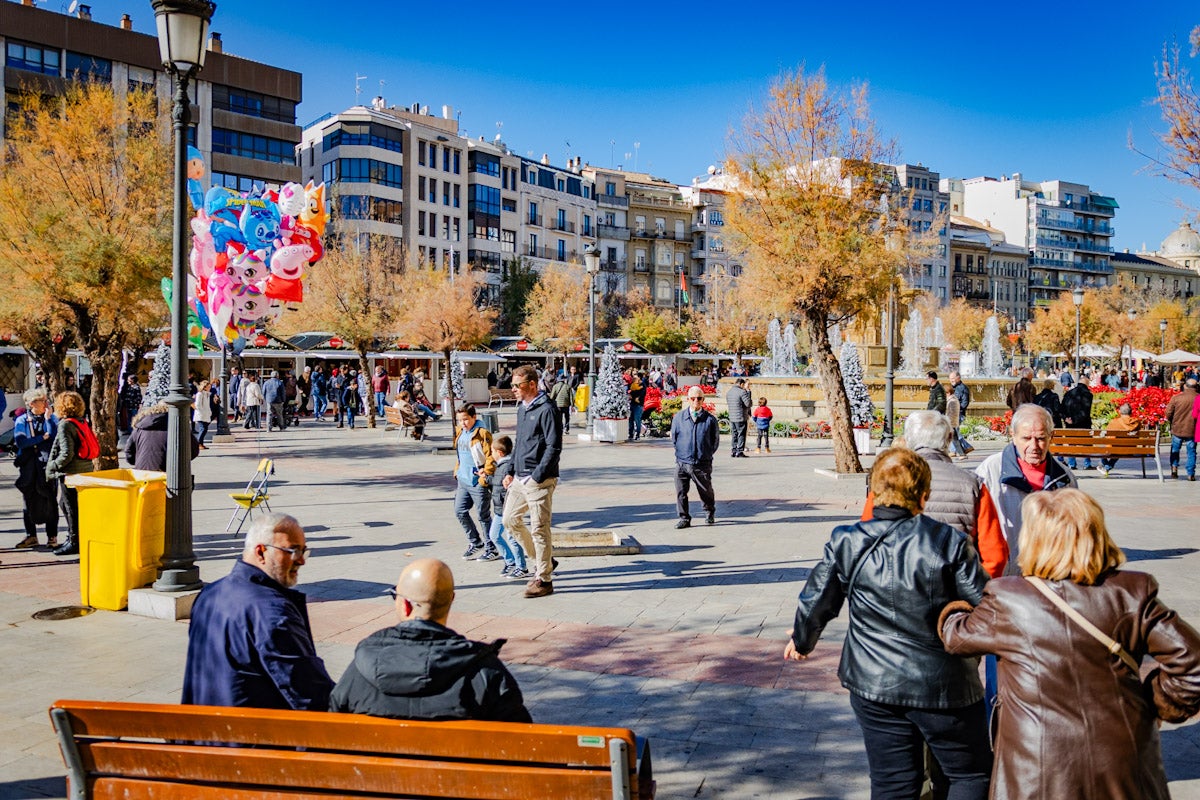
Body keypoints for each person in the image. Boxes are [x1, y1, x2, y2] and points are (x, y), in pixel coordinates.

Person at [940, 489, 1200, 800]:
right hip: (1121, 755)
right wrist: (1152, 704)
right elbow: (1193, 666)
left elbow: (957, 638)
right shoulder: (1132, 591)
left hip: (1036, 763)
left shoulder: (1009, 598)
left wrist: (953, 608)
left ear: (1035, 539)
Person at [786, 447, 992, 799]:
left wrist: (802, 641)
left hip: (874, 682)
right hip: (945, 685)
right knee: (969, 774)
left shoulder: (846, 540)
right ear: (923, 495)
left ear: (874, 492)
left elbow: (817, 600)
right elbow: (989, 606)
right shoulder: (950, 542)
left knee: (893, 782)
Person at [330, 559, 532, 722]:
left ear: (406, 606)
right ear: (450, 601)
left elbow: (332, 725)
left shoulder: (361, 667)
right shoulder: (484, 672)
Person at [183, 513, 333, 710]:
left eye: (303, 551)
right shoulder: (273, 612)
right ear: (261, 552)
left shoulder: (209, 594)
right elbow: (311, 694)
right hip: (249, 735)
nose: (301, 561)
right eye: (293, 550)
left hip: (204, 732)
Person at [864, 411, 1007, 578]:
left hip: (898, 589)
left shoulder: (887, 480)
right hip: (956, 592)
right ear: (949, 439)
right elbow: (995, 554)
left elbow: (866, 538)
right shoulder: (972, 484)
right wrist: (975, 592)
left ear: (908, 440)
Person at [975, 404, 1077, 576]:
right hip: (1002, 576)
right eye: (1026, 438)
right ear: (1013, 436)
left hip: (1047, 577)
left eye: (1041, 438)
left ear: (1052, 436)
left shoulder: (1064, 477)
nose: (1034, 446)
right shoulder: (990, 470)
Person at [502, 364, 562, 599]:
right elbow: (519, 443)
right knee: (510, 520)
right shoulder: (522, 409)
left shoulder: (547, 409)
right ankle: (542, 560)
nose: (513, 389)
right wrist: (510, 469)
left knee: (539, 528)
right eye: (512, 385)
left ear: (532, 385)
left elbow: (553, 446)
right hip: (519, 477)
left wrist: (538, 476)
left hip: (539, 479)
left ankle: (544, 580)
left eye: (517, 385)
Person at [45, 391, 97, 556]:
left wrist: (53, 465)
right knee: (66, 504)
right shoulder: (81, 421)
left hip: (72, 472)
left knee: (70, 506)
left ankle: (74, 541)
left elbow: (67, 453)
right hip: (85, 468)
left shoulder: (65, 424)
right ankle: (73, 537)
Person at [13, 388, 59, 550]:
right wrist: (41, 438)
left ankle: (52, 537)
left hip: (47, 465)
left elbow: (54, 436)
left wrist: (47, 421)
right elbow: (21, 442)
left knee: (50, 499)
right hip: (29, 466)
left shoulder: (52, 418)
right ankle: (31, 535)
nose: (47, 403)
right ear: (32, 404)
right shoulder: (22, 420)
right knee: (28, 499)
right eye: (43, 400)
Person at [671, 386, 719, 529]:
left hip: (701, 462)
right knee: (681, 492)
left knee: (705, 490)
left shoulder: (710, 420)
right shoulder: (679, 417)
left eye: (699, 398)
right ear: (688, 400)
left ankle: (709, 511)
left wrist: (705, 454)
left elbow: (714, 441)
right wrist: (682, 453)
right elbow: (674, 438)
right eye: (693, 398)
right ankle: (684, 518)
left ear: (703, 400)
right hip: (682, 462)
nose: (696, 401)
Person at [454, 405, 496, 561]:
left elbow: (491, 455)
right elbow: (460, 454)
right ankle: (475, 542)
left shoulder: (482, 433)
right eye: (460, 420)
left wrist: (486, 473)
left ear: (473, 417)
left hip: (478, 482)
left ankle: (491, 548)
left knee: (483, 516)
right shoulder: (461, 432)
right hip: (463, 479)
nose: (463, 423)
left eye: (465, 419)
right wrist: (457, 471)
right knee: (460, 511)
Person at [487, 436, 528, 580]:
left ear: (499, 452)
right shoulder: (500, 467)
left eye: (492, 451)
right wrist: (486, 478)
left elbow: (507, 487)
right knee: (494, 535)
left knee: (512, 538)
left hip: (506, 509)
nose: (490, 453)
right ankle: (510, 561)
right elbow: (497, 483)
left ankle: (521, 566)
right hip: (499, 509)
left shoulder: (507, 467)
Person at [126, 402, 200, 471]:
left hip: (142, 472)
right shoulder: (178, 426)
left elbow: (129, 451)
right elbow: (194, 450)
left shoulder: (139, 428)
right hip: (168, 471)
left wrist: (138, 461)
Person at [1165, 377, 1198, 480]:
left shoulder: (1176, 398)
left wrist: (1172, 421)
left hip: (1177, 428)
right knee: (1191, 451)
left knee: (1175, 449)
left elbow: (1168, 413)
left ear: (1185, 386)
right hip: (1192, 429)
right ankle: (1190, 473)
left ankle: (1174, 468)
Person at [1098, 402, 1141, 477]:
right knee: (1119, 450)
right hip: (1131, 449)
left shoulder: (1114, 422)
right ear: (1131, 412)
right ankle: (1107, 468)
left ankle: (1106, 467)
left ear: (1119, 411)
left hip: (1115, 448)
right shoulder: (1136, 422)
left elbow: (1107, 434)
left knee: (1108, 450)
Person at [1060, 377, 1094, 470]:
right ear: (1087, 384)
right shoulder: (1088, 394)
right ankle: (1087, 464)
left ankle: (1072, 464)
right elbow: (1086, 411)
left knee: (1071, 443)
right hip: (1084, 424)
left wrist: (1066, 418)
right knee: (1087, 443)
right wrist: (1075, 419)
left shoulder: (1068, 393)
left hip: (1070, 425)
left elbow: (1062, 408)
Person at [725, 377, 752, 458]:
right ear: (741, 384)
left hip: (732, 417)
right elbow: (748, 404)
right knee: (741, 434)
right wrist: (748, 392)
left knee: (734, 434)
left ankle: (733, 450)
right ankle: (739, 451)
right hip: (740, 417)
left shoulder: (729, 392)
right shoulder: (742, 392)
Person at [949, 371, 974, 455]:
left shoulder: (963, 388)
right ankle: (966, 447)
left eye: (952, 378)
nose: (951, 380)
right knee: (954, 432)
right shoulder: (954, 388)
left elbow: (964, 403)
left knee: (954, 432)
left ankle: (954, 451)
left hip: (958, 414)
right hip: (953, 413)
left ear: (958, 378)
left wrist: (958, 411)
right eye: (950, 378)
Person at [193, 379, 213, 449]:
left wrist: (209, 412)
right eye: (208, 386)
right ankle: (198, 443)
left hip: (206, 414)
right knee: (203, 429)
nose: (209, 388)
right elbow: (198, 405)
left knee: (205, 429)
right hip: (201, 414)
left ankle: (201, 443)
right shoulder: (200, 394)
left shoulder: (207, 394)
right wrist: (203, 411)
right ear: (204, 387)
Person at [627, 373, 646, 441]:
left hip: (638, 405)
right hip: (632, 404)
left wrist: (632, 394)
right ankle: (630, 434)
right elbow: (629, 391)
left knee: (637, 420)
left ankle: (637, 435)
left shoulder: (642, 385)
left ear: (639, 378)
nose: (634, 379)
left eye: (635, 377)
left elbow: (639, 394)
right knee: (631, 420)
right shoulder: (632, 384)